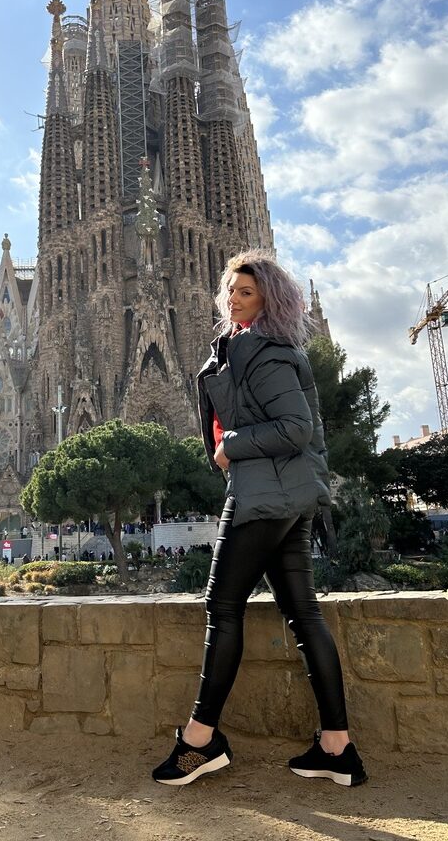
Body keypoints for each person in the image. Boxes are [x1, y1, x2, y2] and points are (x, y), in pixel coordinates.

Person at [152, 249, 367, 789]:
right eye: (230, 290)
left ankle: (200, 742)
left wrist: (233, 447)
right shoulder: (244, 348)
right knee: (302, 613)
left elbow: (295, 427)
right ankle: (337, 747)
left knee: (222, 608)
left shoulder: (264, 351)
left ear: (269, 299)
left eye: (247, 291)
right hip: (282, 497)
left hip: (264, 497)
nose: (235, 299)